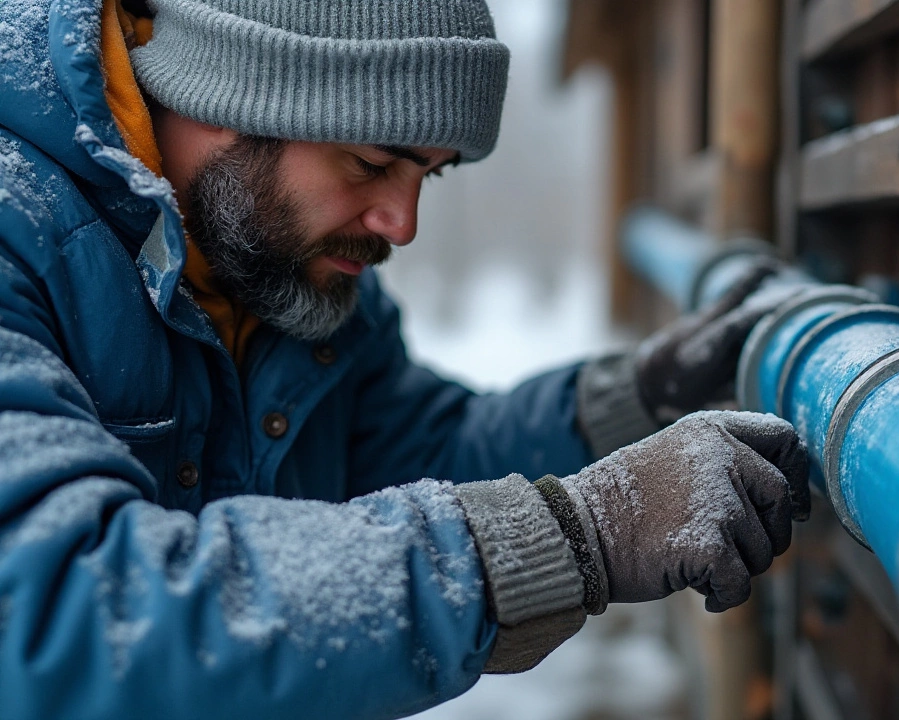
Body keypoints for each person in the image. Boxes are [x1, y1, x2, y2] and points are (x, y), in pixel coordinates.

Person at [0, 0, 811, 717]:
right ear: (225, 94)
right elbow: (57, 612)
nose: (402, 222)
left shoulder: (280, 268)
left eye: (430, 174)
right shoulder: (17, 229)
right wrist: (573, 536)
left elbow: (414, 454)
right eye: (374, 162)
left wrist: (631, 396)